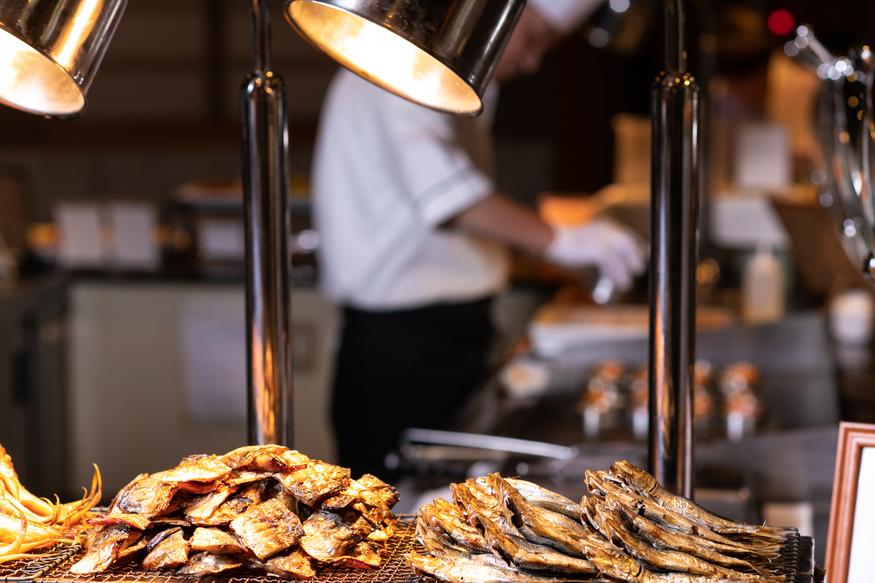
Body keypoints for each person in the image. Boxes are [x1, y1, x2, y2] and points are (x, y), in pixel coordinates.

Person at [311, 0, 646, 477]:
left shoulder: (453, 78)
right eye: (532, 39)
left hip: (447, 337)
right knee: (394, 513)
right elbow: (451, 198)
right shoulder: (396, 66)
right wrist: (564, 240)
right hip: (401, 352)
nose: (533, 62)